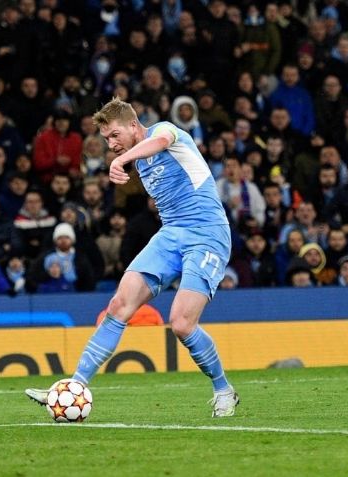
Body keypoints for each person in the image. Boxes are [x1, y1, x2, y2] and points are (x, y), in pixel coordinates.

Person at [25, 98, 239, 417]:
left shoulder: (163, 131)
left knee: (181, 323)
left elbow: (162, 140)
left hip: (207, 232)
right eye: (107, 139)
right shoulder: (139, 161)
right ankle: (74, 386)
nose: (111, 144)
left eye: (114, 136)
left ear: (133, 126)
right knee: (118, 305)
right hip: (171, 234)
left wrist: (122, 158)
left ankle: (224, 390)